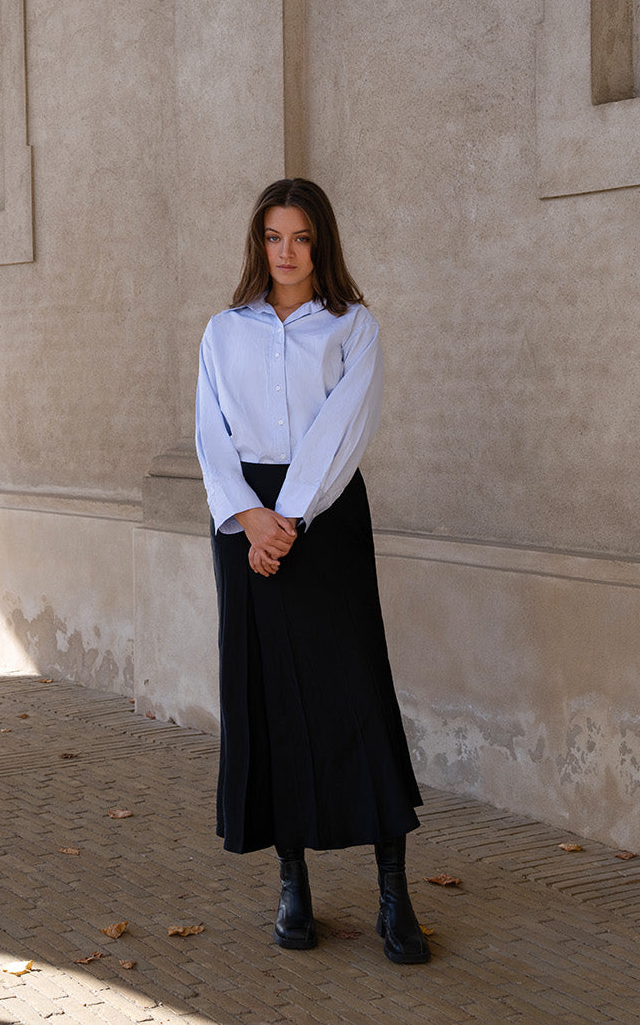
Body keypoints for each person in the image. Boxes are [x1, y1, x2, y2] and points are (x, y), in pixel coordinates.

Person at [194, 178, 430, 965]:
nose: (285, 252)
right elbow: (210, 433)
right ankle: (292, 888)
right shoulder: (222, 331)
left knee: (353, 690)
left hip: (321, 518)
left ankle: (393, 895)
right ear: (256, 243)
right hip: (245, 522)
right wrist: (248, 519)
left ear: (320, 241)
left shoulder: (351, 326)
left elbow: (343, 427)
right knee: (265, 698)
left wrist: (287, 519)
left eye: (299, 237)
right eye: (271, 237)